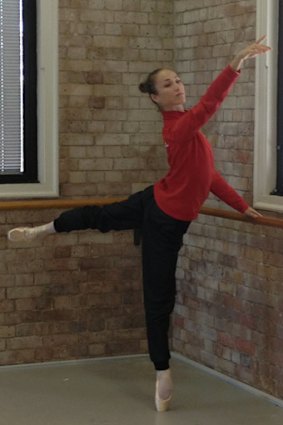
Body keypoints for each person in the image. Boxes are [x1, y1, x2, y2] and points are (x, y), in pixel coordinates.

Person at [8, 37, 270, 412]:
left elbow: (209, 177)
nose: (177, 86)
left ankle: (46, 229)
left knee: (106, 220)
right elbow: (211, 104)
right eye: (167, 84)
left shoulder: (190, 132)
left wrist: (242, 206)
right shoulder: (178, 128)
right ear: (155, 98)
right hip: (164, 221)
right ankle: (162, 370)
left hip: (155, 199)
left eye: (177, 80)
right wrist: (235, 63)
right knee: (157, 294)